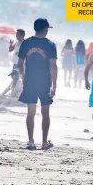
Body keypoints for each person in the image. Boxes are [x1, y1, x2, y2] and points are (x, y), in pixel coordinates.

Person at [17, 18, 57, 150]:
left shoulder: (26, 43)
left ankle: (30, 141)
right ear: (45, 29)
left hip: (30, 81)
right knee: (45, 112)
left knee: (31, 112)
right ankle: (44, 142)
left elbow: (20, 62)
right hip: (44, 82)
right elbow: (53, 66)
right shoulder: (50, 45)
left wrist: (23, 77)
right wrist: (54, 85)